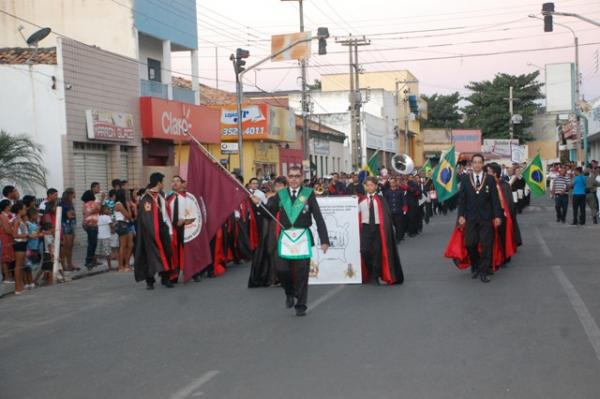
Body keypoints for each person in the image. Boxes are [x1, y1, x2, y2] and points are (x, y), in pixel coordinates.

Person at [253, 166, 329, 316]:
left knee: (302, 273)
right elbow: (269, 213)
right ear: (288, 178)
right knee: (281, 269)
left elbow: (318, 218)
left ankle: (300, 305)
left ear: (301, 178)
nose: (294, 179)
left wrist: (324, 239)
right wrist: (258, 204)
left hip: (302, 237)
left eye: (297, 176)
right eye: (291, 176)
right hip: (286, 237)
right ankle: (289, 292)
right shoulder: (281, 195)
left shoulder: (308, 194)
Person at [457, 154, 502, 283]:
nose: (477, 165)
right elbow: (462, 200)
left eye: (479, 162)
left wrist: (497, 216)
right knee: (470, 243)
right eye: (475, 162)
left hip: (486, 218)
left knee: (486, 244)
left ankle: (483, 271)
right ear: (471, 164)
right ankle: (476, 265)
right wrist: (461, 215)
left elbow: (495, 200)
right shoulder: (466, 179)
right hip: (471, 218)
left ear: (483, 164)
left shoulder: (490, 179)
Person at [358, 177, 404, 285]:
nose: (369, 187)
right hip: (366, 228)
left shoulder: (381, 200)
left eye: (372, 185)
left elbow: (386, 215)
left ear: (376, 186)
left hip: (379, 229)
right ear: (365, 186)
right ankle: (369, 271)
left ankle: (375, 275)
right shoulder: (361, 200)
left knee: (377, 252)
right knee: (364, 251)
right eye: (367, 185)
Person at [134, 172, 174, 290]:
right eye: (162, 181)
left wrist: (169, 231)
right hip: (149, 233)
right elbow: (146, 218)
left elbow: (166, 215)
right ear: (158, 182)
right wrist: (152, 231)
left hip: (162, 230)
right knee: (148, 256)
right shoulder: (146, 197)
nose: (163, 184)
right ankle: (149, 281)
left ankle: (165, 278)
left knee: (166, 253)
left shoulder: (161, 196)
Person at [248, 176, 287, 288]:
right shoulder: (273, 198)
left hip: (287, 229)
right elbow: (267, 211)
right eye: (277, 186)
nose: (278, 188)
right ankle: (275, 277)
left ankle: (284, 277)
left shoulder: (289, 198)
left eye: (281, 186)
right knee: (272, 252)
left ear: (285, 186)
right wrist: (258, 204)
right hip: (274, 229)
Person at [166, 176, 196, 282]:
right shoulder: (168, 199)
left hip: (186, 228)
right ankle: (174, 275)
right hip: (173, 229)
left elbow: (194, 213)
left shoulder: (188, 197)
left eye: (178, 181)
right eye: (173, 181)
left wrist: (184, 220)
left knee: (188, 251)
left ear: (182, 184)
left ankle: (193, 273)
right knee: (174, 252)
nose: (175, 183)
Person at [81, 188, 101, 270]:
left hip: (88, 224)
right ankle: (88, 261)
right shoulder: (93, 203)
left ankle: (90, 260)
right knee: (93, 243)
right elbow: (98, 209)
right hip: (92, 225)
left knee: (91, 243)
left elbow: (85, 213)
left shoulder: (85, 204)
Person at [11, 202, 28, 294]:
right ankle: (17, 288)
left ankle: (20, 285)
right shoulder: (16, 220)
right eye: (24, 209)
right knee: (18, 266)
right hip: (19, 243)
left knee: (21, 266)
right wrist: (27, 235)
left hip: (23, 243)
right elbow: (14, 234)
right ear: (19, 210)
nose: (25, 210)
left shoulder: (21, 220)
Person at [382, 176, 406, 243]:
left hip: (398, 211)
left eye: (393, 182)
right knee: (390, 226)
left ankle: (399, 238)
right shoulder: (387, 192)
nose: (392, 183)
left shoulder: (400, 191)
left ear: (395, 183)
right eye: (390, 182)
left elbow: (403, 201)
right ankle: (393, 238)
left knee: (398, 225)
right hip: (390, 211)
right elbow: (385, 202)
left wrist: (404, 208)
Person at [60, 188, 78, 271]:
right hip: (66, 225)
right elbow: (70, 216)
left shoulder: (69, 203)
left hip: (70, 225)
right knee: (67, 246)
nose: (75, 194)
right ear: (71, 194)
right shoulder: (65, 204)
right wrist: (72, 214)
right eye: (74, 193)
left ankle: (70, 264)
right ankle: (64, 264)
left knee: (70, 246)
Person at [0, 200, 15, 283]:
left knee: (8, 257)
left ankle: (8, 276)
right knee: (5, 258)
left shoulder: (8, 215)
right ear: (6, 206)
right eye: (10, 205)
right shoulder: (2, 216)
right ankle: (6, 277)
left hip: (8, 237)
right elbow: (7, 229)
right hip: (5, 237)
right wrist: (15, 233)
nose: (11, 206)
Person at [97, 205, 114, 271]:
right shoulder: (107, 217)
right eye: (108, 209)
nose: (109, 211)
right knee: (108, 252)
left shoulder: (99, 217)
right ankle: (109, 266)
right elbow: (111, 225)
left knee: (98, 251)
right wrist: (113, 230)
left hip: (99, 236)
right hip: (106, 236)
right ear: (104, 211)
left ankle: (94, 262)